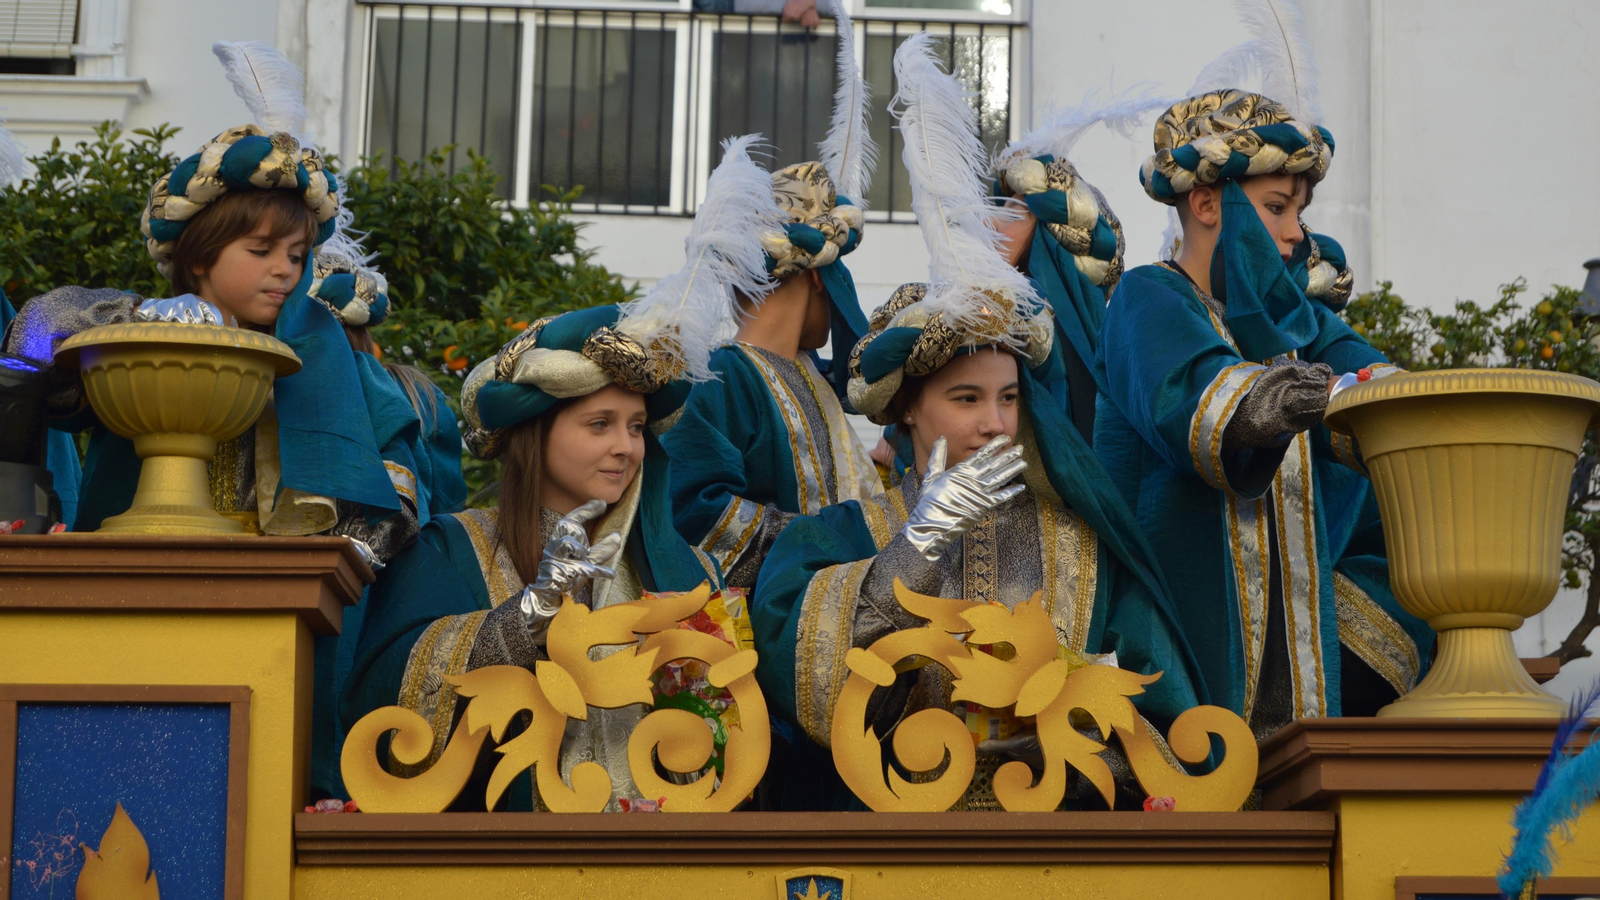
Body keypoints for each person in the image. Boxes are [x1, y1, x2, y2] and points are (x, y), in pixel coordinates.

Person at [751, 34, 1206, 812]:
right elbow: (807, 695)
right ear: (906, 409)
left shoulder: (1084, 545)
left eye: (1009, 398)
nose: (994, 423)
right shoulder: (837, 536)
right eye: (965, 400)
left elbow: (1167, 721)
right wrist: (920, 544)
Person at [342, 137, 778, 812]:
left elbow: (732, 743)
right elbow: (385, 699)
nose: (625, 448)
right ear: (535, 437)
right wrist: (529, 615)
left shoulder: (689, 574)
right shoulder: (451, 548)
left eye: (635, 427)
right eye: (598, 424)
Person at [1093, 6, 1433, 735]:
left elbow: (1390, 397)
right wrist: (1327, 394)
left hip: (1300, 678)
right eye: (1278, 207)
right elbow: (1205, 407)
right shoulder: (1148, 298)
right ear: (1207, 203)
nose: (1295, 234)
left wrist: (1397, 399)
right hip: (1176, 655)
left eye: (1300, 212)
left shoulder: (1298, 328)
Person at [3, 41, 414, 556]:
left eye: (297, 254)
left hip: (276, 591)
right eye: (261, 249)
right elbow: (35, 331)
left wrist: (337, 559)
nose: (285, 269)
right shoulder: (136, 333)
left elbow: (395, 483)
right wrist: (142, 319)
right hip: (128, 569)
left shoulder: (340, 367)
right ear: (199, 256)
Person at [664, 0, 880, 589]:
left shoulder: (812, 372)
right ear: (818, 275)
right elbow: (692, 508)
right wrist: (836, 540)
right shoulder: (721, 381)